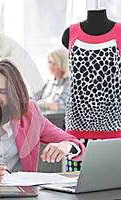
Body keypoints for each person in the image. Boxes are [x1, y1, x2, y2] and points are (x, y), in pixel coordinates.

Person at [61, 9, 121, 171]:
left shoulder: (120, 32)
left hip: (114, 125)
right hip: (77, 126)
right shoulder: (70, 33)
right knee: (73, 185)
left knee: (113, 184)